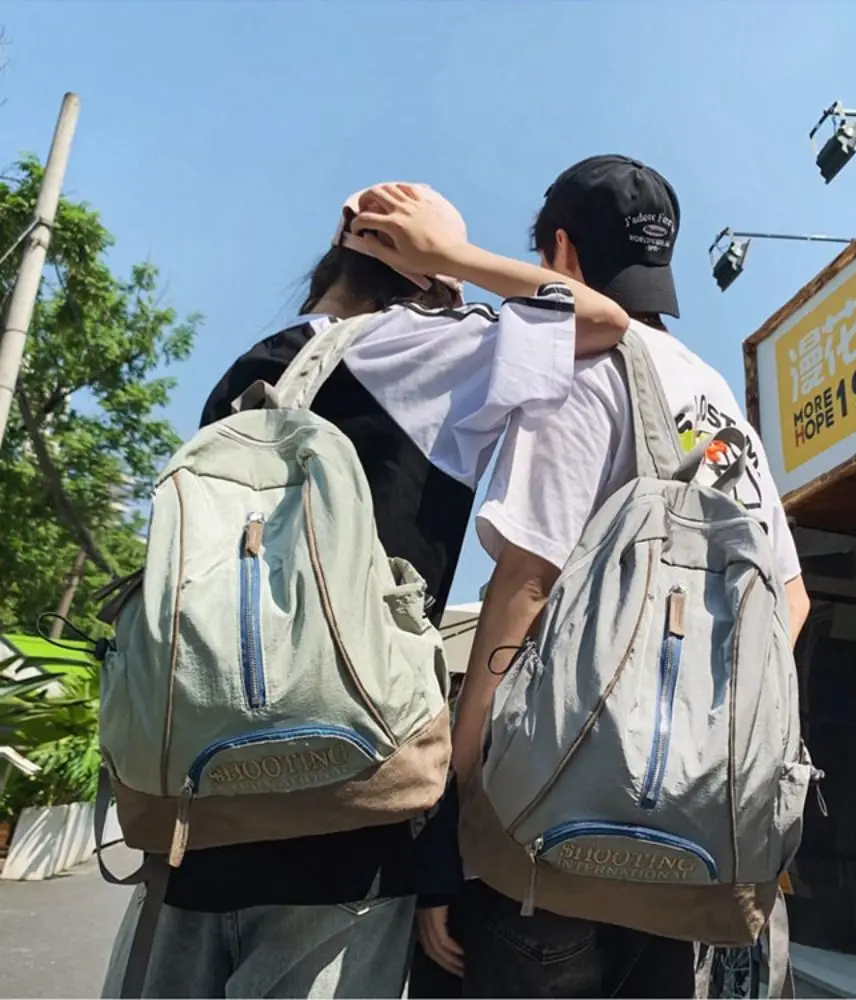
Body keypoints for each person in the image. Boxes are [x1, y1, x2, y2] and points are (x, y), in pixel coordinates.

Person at [100, 181, 629, 999]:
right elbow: (600, 321)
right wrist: (455, 262)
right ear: (420, 273)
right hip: (346, 829)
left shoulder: (246, 379)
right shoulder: (423, 346)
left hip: (194, 819)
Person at [420, 155, 810, 997]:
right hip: (688, 849)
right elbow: (790, 600)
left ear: (560, 253)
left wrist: (463, 796)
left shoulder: (586, 369)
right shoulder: (721, 407)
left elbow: (526, 582)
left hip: (552, 830)